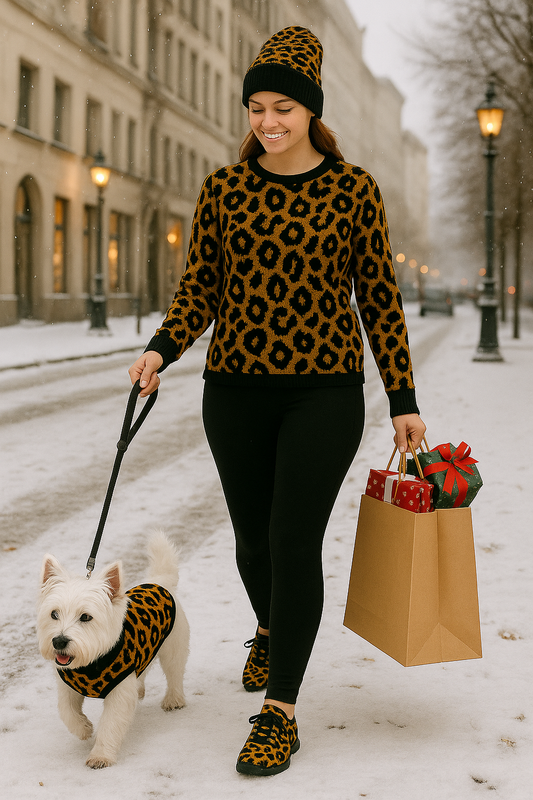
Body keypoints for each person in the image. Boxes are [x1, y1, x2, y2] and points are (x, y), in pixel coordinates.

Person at [129, 26, 426, 777]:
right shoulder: (224, 188)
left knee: (293, 544)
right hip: (234, 392)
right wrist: (161, 349)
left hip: (323, 395)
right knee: (252, 543)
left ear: (311, 112)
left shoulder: (353, 187)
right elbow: (200, 287)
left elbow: (379, 301)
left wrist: (402, 396)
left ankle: (279, 712)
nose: (267, 121)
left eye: (283, 108)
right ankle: (271, 626)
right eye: (256, 106)